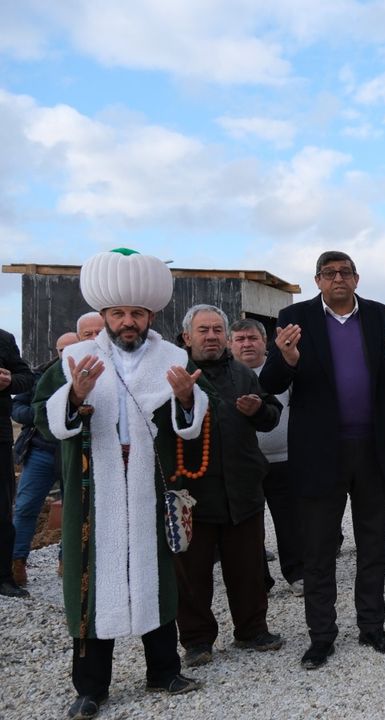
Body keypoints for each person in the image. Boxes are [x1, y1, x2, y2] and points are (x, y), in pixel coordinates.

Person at [34, 248, 206, 718]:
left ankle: (164, 671)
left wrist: (187, 400)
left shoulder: (173, 357)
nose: (128, 322)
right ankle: (91, 687)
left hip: (149, 483)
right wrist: (74, 395)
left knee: (156, 575)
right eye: (118, 313)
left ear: (150, 316)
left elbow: (193, 417)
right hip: (95, 490)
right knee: (92, 581)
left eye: (137, 313)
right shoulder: (75, 357)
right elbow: (43, 417)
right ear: (105, 315)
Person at [259, 250, 385, 669]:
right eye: (330, 273)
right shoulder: (295, 318)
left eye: (345, 272)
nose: (338, 279)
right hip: (319, 451)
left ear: (357, 278)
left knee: (373, 545)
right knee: (319, 549)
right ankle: (321, 636)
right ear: (318, 281)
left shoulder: (381, 316)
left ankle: (372, 627)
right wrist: (288, 359)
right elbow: (270, 382)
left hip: (372, 449)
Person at [171, 305, 284, 667]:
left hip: (243, 486)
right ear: (187, 337)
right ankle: (197, 640)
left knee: (247, 567)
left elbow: (271, 415)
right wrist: (184, 401)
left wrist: (258, 410)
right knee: (192, 572)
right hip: (192, 491)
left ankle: (252, 630)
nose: (211, 337)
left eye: (217, 330)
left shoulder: (243, 373)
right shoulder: (173, 373)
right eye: (203, 330)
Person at [229, 318, 304, 596]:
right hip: (244, 463)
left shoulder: (283, 368)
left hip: (286, 458)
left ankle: (298, 573)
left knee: (291, 523)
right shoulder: (226, 375)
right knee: (249, 527)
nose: (247, 344)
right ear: (230, 344)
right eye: (240, 339)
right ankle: (259, 580)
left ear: (265, 342)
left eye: (253, 338)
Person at [10, 332, 78, 588]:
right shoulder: (39, 375)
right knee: (26, 506)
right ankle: (16, 563)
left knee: (75, 508)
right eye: (62, 350)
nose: (67, 354)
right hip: (41, 450)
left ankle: (68, 561)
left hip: (75, 452)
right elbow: (17, 408)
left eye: (72, 348)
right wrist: (42, 415)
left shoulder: (94, 373)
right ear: (56, 351)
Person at [1, 326, 36, 598]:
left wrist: (10, 381)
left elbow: (27, 378)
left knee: (2, 509)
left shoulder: (3, 339)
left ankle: (3, 577)